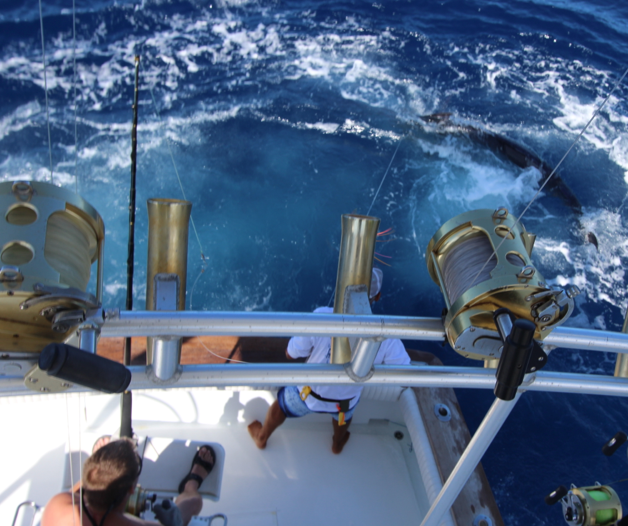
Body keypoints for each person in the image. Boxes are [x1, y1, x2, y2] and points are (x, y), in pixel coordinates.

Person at [248, 268, 410, 454]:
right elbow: (405, 377)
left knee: (281, 405)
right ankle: (337, 444)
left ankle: (262, 437)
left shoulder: (322, 315)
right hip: (343, 404)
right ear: (378, 296)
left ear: (343, 287)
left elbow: (290, 354)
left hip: (308, 397)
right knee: (343, 418)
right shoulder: (386, 337)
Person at [41, 437, 215, 526]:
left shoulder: (57, 504)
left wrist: (102, 467)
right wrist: (173, 520)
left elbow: (83, 488)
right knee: (193, 503)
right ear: (132, 490)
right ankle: (191, 484)